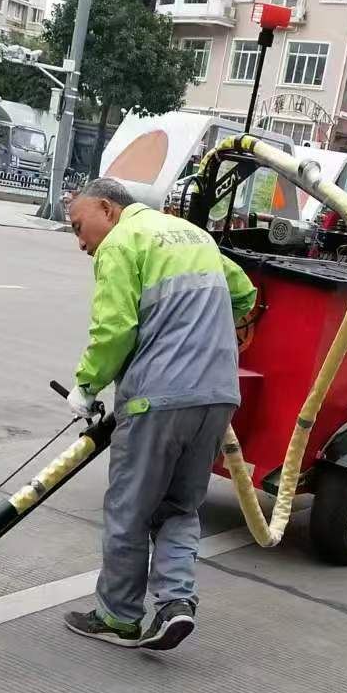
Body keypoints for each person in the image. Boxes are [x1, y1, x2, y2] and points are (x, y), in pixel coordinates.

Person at [60, 178, 257, 651]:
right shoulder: (194, 235)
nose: (81, 243)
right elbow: (245, 293)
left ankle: (118, 616)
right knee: (179, 507)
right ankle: (175, 603)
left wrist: (86, 386)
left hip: (157, 398)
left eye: (79, 227)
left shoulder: (121, 242)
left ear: (107, 209)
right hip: (217, 395)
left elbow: (114, 327)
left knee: (129, 510)